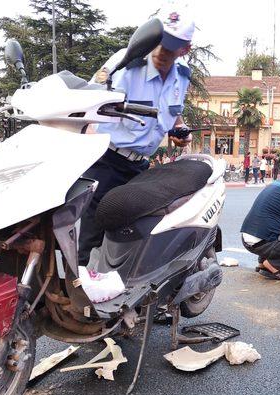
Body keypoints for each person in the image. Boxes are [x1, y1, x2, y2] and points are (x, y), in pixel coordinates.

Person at [78, 9, 195, 265]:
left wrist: (179, 130)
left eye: (171, 47)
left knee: (132, 231)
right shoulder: (126, 62)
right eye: (159, 43)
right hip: (107, 160)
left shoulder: (182, 75)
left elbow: (174, 111)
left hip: (140, 165)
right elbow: (88, 101)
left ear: (185, 49)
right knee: (92, 232)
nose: (162, 51)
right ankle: (80, 292)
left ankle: (117, 282)